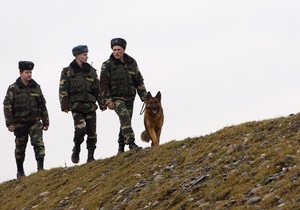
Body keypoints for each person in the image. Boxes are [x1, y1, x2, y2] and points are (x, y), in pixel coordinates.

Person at [100, 38, 147, 154]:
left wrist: (145, 98)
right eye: (114, 50)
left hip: (130, 97)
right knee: (125, 117)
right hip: (116, 98)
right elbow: (103, 85)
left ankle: (121, 148)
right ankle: (131, 143)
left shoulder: (132, 63)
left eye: (119, 50)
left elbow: (138, 81)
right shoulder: (107, 65)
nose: (116, 52)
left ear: (124, 50)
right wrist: (108, 100)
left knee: (126, 121)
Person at [3, 61, 49, 179]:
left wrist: (45, 121)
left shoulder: (36, 87)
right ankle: (20, 171)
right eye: (27, 72)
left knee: (38, 143)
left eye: (30, 72)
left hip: (34, 122)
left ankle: (40, 168)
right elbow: (7, 106)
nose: (29, 75)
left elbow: (42, 104)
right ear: (21, 73)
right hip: (20, 123)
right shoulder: (13, 88)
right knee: (20, 148)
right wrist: (10, 123)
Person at [59, 45, 101, 164]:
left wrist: (102, 103)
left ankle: (90, 156)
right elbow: (63, 89)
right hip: (76, 106)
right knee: (80, 129)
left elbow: (98, 89)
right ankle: (76, 148)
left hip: (90, 106)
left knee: (92, 132)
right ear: (77, 56)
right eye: (84, 54)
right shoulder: (67, 71)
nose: (87, 57)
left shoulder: (92, 71)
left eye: (87, 54)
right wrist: (64, 105)